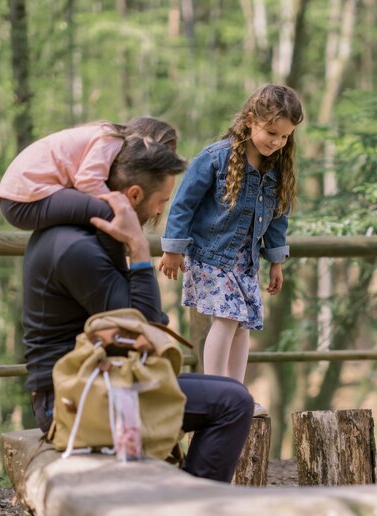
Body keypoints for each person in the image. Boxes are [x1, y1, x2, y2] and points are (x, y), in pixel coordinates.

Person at [21, 137, 253, 483]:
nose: (161, 211)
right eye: (161, 201)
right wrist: (140, 250)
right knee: (233, 402)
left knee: (227, 395)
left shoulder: (79, 235)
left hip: (98, 382)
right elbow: (147, 325)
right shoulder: (77, 249)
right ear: (133, 195)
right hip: (73, 399)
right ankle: (198, 504)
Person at [158, 84, 304, 418]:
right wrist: (173, 250)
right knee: (226, 320)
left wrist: (276, 263)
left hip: (245, 261)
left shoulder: (276, 169)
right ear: (251, 119)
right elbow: (183, 205)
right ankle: (215, 393)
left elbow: (278, 219)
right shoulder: (215, 157)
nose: (277, 143)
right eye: (271, 133)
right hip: (210, 254)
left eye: (284, 137)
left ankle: (237, 396)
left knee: (242, 325)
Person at [0, 117, 178, 232]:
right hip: (24, 199)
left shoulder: (109, 139)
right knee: (110, 212)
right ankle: (119, 270)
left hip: (25, 196)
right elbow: (87, 182)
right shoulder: (110, 140)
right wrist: (120, 205)